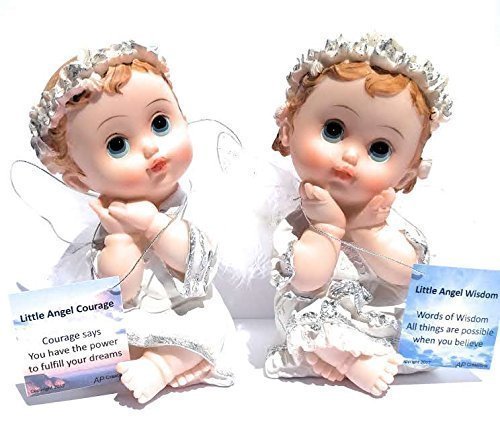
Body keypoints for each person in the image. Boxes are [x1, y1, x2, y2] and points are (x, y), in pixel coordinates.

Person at [29, 41, 234, 404]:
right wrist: (122, 239)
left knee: (206, 331)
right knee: (105, 340)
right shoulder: (104, 228)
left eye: (160, 123)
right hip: (131, 323)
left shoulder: (187, 208)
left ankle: (162, 365)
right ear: (79, 180)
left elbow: (198, 264)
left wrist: (153, 224)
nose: (151, 148)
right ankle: (143, 361)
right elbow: (120, 293)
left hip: (184, 313)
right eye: (117, 144)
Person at [264, 34, 452, 396]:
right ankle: (349, 362)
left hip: (379, 317)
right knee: (306, 324)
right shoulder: (297, 223)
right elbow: (306, 282)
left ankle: (360, 355)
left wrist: (370, 231)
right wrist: (326, 227)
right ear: (288, 129)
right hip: (320, 315)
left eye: (379, 148)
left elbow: (408, 276)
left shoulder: (388, 223)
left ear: (406, 175)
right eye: (333, 130)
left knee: (420, 329)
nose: (350, 156)